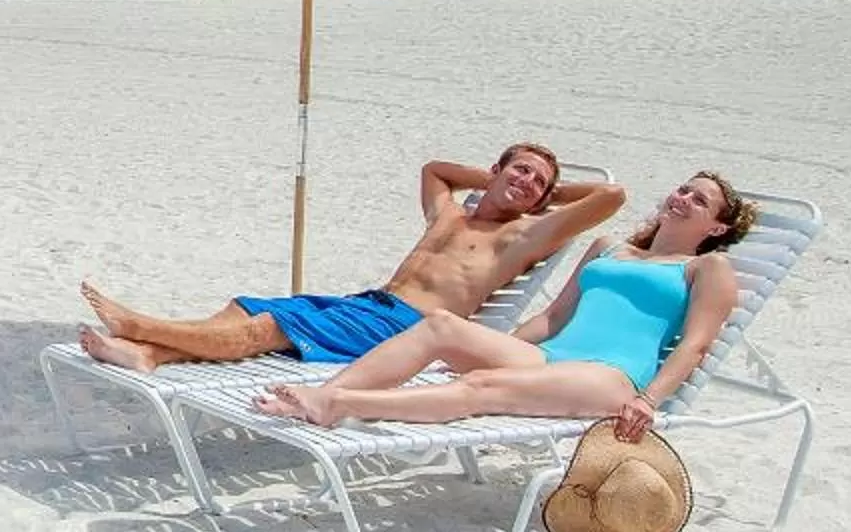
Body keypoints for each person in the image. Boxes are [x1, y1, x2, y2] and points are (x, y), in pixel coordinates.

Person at [252, 171, 755, 437]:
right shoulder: (609, 248)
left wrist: (647, 402)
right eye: (684, 189)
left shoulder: (706, 269)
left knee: (483, 385)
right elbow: (554, 317)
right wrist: (495, 343)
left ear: (715, 228)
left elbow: (696, 346)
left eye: (700, 201)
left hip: (611, 374)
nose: (684, 198)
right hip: (551, 356)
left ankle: (339, 404)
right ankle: (320, 396)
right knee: (442, 327)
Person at [77, 145, 620, 371]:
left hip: (407, 326)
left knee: (265, 329)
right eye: (517, 169)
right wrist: (501, 177)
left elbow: (612, 198)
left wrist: (544, 195)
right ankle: (151, 353)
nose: (526, 181)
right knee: (244, 308)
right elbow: (435, 170)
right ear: (497, 171)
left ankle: (140, 325)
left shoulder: (522, 236)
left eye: (538, 180)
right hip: (368, 305)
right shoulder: (450, 217)